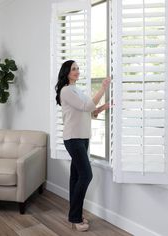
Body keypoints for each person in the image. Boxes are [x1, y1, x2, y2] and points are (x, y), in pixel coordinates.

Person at [55, 60, 111, 232]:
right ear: (66, 72)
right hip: (73, 139)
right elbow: (86, 106)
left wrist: (103, 107)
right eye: (74, 69)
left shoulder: (77, 90)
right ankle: (75, 217)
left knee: (76, 177)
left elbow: (90, 111)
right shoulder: (66, 91)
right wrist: (103, 88)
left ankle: (74, 215)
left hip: (83, 138)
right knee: (86, 175)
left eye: (78, 68)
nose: (77, 71)